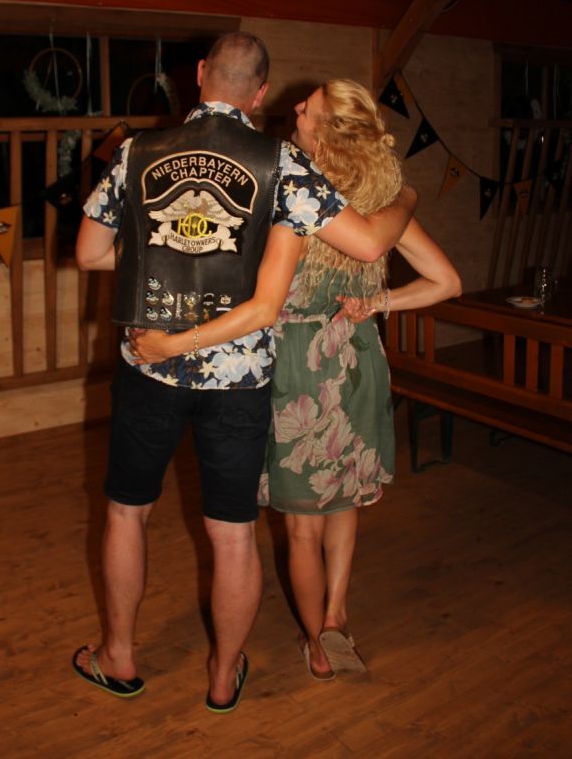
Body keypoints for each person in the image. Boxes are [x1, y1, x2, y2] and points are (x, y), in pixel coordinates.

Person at [73, 36, 416, 713]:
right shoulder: (282, 162)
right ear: (259, 94)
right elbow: (373, 241)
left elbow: (89, 253)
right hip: (238, 378)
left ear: (200, 76)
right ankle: (224, 674)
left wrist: (167, 253)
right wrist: (405, 194)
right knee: (231, 532)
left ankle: (117, 657)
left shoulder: (137, 152)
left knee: (125, 513)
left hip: (149, 364)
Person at [133, 78, 461, 683]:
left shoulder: (288, 199)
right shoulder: (381, 204)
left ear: (325, 136)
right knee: (344, 504)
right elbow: (447, 282)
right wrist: (379, 303)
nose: (294, 110)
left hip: (296, 367)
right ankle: (336, 615)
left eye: (306, 110)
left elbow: (255, 299)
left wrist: (177, 337)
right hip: (356, 362)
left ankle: (317, 642)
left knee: (302, 525)